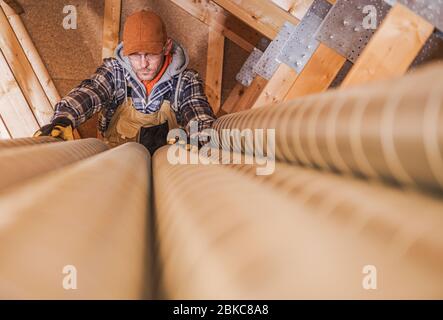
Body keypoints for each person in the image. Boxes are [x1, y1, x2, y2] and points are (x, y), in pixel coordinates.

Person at [34, 10, 216, 154]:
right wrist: (64, 118)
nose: (143, 64)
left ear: (166, 47)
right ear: (125, 50)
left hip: (167, 165)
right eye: (135, 55)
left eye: (151, 54)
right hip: (118, 159)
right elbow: (92, 91)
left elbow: (197, 110)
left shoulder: (185, 80)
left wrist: (199, 139)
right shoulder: (115, 72)